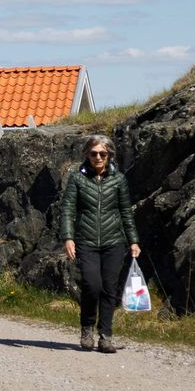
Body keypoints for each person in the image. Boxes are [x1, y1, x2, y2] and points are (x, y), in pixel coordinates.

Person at [60, 134, 141, 353]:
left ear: (109, 156)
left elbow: (126, 211)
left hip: (114, 241)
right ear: (87, 154)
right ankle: (87, 328)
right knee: (91, 285)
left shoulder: (119, 180)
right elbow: (68, 209)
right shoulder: (77, 179)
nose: (98, 157)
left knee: (109, 289)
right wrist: (68, 237)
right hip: (86, 241)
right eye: (94, 153)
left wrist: (133, 240)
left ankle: (105, 336)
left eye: (102, 154)